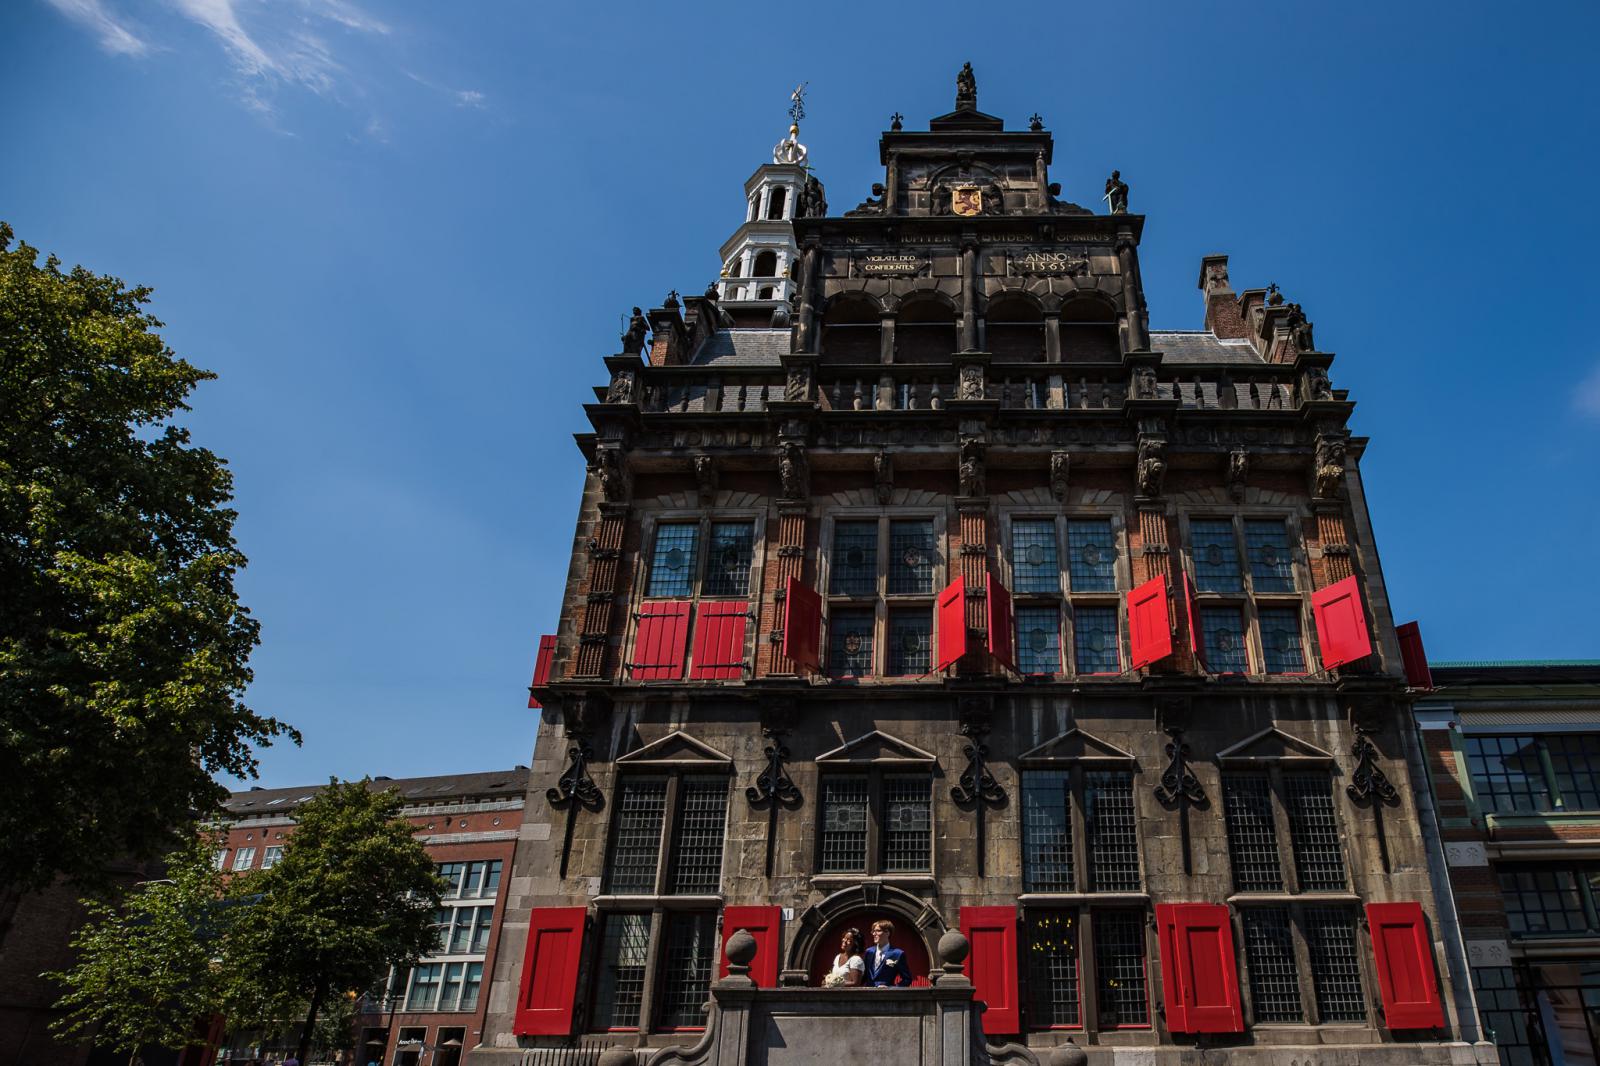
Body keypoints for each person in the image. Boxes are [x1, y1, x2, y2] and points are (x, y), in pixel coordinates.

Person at [862, 919, 913, 987]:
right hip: (867, 994)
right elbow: (863, 976)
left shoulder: (897, 954)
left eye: (878, 931)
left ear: (887, 933)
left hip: (886, 996)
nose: (874, 934)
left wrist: (891, 988)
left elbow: (907, 979)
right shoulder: (869, 952)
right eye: (873, 931)